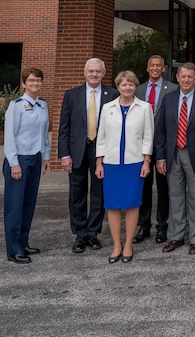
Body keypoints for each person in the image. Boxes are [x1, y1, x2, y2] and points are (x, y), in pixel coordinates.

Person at [156, 63, 195, 256]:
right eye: (183, 76)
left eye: (190, 76)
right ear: (177, 77)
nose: (186, 80)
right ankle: (176, 236)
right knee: (175, 197)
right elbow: (161, 131)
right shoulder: (168, 99)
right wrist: (160, 158)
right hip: (173, 155)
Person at [58, 58, 118, 253]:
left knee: (99, 192)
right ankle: (80, 234)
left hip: (102, 151)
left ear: (103, 73)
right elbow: (64, 128)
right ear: (85, 73)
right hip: (77, 151)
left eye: (98, 71)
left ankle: (93, 233)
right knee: (77, 193)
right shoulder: (71, 95)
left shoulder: (113, 94)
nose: (94, 74)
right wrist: (64, 154)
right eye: (91, 71)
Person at [95, 70, 153, 263]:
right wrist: (99, 162)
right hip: (111, 163)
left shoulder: (144, 108)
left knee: (132, 204)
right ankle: (116, 245)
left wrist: (146, 161)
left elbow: (147, 137)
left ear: (135, 86)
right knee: (112, 205)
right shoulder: (107, 108)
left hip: (134, 163)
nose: (127, 87)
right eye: (123, 84)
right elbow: (101, 136)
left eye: (131, 84)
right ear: (118, 87)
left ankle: (128, 243)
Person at [2, 67, 51, 264]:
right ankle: (13, 249)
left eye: (38, 80)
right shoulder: (16, 106)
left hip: (35, 158)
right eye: (31, 81)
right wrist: (14, 163)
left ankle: (23, 243)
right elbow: (10, 137)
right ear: (23, 84)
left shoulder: (42, 105)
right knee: (15, 206)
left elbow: (44, 134)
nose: (35, 84)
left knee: (28, 204)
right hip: (19, 160)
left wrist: (46, 157)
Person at [132, 54, 176, 245]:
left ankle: (162, 226)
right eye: (152, 65)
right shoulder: (138, 89)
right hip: (142, 147)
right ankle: (144, 227)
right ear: (148, 68)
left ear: (164, 68)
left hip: (164, 146)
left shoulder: (173, 89)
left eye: (159, 65)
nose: (156, 68)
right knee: (143, 187)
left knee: (164, 188)